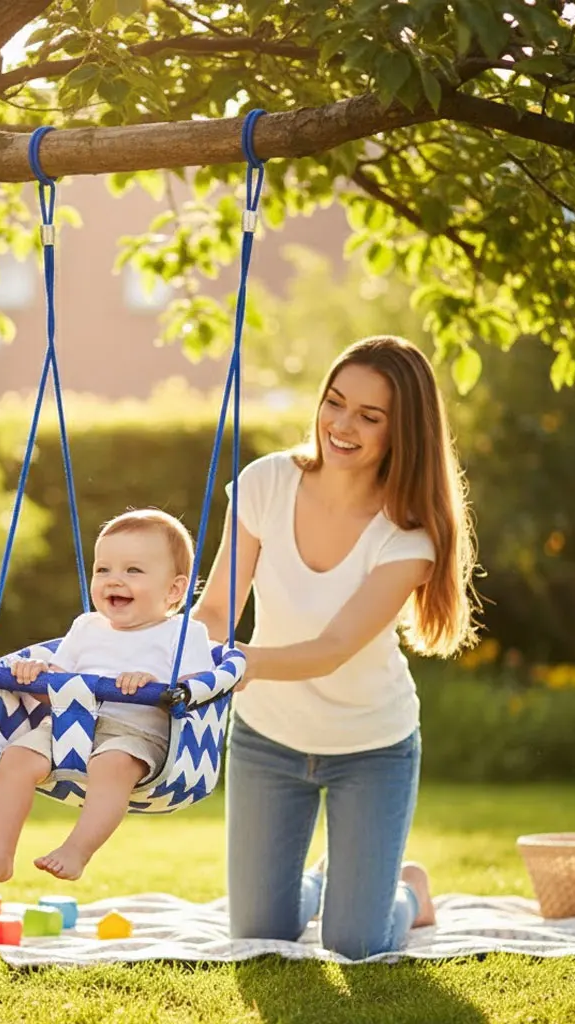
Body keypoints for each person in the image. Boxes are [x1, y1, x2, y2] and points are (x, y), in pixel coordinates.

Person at [192, 335, 479, 960]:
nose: (342, 426)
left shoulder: (408, 535)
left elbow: (333, 647)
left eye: (369, 417)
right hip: (269, 740)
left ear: (402, 432)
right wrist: (179, 658)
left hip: (371, 749)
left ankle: (406, 892)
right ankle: (330, 880)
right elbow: (217, 610)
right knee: (260, 935)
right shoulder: (266, 483)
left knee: (357, 942)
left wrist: (238, 664)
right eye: (335, 402)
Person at [0, 508, 215, 887]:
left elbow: (199, 688)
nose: (114, 580)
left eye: (133, 571)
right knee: (15, 758)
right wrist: (38, 675)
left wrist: (154, 681)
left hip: (137, 737)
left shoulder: (184, 634)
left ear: (174, 590)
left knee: (110, 765)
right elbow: (59, 682)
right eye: (103, 569)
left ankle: (76, 850)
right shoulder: (85, 627)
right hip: (68, 729)